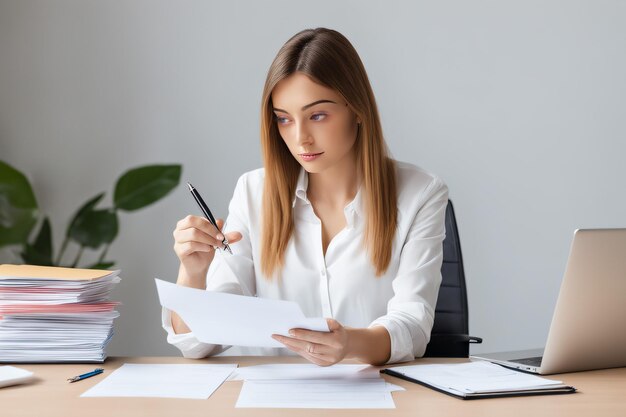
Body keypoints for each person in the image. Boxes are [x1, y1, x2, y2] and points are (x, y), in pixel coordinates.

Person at [163, 27, 448, 366]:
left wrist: (350, 343)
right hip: (271, 401)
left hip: (374, 398)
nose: (301, 139)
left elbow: (413, 326)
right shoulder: (255, 192)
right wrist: (193, 274)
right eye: (284, 119)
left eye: (317, 115)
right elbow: (198, 345)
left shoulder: (420, 193)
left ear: (357, 109)